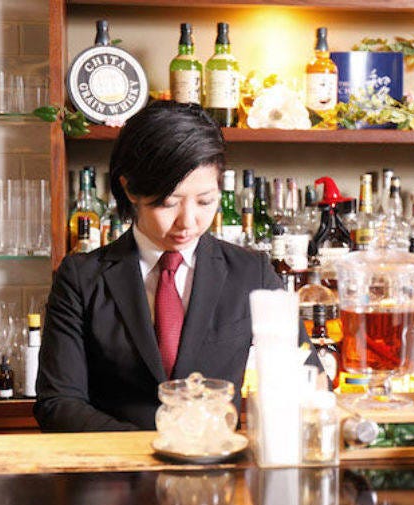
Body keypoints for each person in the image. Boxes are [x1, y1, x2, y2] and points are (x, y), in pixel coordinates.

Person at [35, 101, 323, 432]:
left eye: (205, 202)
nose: (188, 222)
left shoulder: (251, 273)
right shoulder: (82, 278)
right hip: (115, 473)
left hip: (215, 472)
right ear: (129, 188)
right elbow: (58, 403)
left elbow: (307, 376)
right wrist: (152, 448)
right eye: (168, 202)